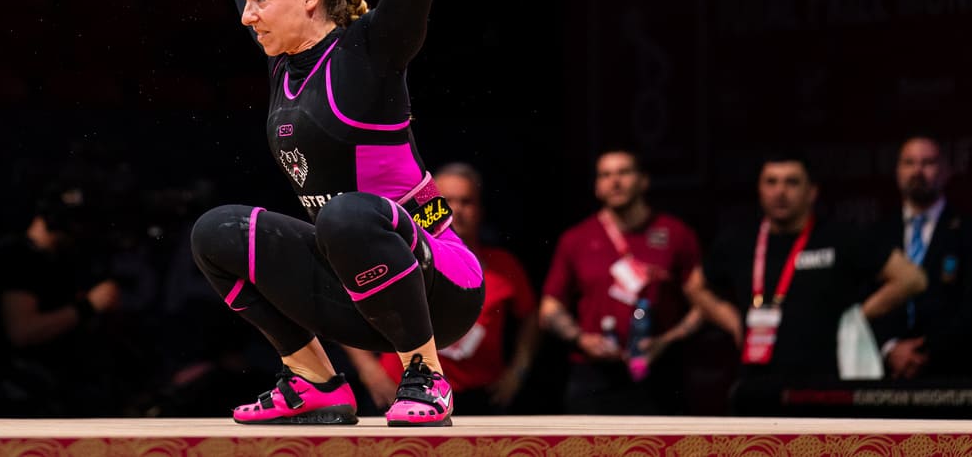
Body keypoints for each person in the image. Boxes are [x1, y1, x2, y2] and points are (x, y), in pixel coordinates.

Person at [188, 0, 486, 427]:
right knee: (216, 233)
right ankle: (315, 383)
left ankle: (426, 376)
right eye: (247, 0)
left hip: (441, 283)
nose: (247, 13)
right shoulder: (282, 62)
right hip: (356, 289)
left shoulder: (371, 51)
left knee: (346, 216)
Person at [686, 149, 926, 397]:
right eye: (771, 182)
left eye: (792, 182)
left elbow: (912, 279)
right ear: (760, 189)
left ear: (812, 192)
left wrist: (859, 315)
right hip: (756, 383)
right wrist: (732, 320)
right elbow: (694, 286)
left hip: (824, 384)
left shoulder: (840, 236)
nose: (780, 191)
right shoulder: (739, 241)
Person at [343, 161, 540, 415]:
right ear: (430, 208)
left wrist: (518, 371)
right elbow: (346, 304)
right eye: (447, 201)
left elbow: (531, 316)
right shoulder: (398, 258)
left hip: (479, 398)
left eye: (466, 201)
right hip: (404, 391)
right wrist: (368, 369)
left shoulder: (503, 266)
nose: (456, 209)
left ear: (480, 210)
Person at [537, 148, 704, 414]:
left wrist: (667, 340)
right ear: (597, 187)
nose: (615, 181)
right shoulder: (576, 239)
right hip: (593, 376)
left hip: (658, 373)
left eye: (624, 172)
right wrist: (581, 339)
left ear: (643, 181)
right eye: (605, 175)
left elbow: (703, 303)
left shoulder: (675, 234)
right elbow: (549, 308)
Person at [0, 182, 125, 416]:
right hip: (23, 393)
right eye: (77, 222)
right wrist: (89, 305)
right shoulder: (20, 257)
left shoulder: (58, 259)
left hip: (62, 389)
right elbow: (21, 331)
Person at [870, 135, 972, 379]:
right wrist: (890, 348)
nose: (918, 171)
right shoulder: (876, 233)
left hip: (953, 373)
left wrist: (924, 351)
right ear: (897, 172)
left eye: (928, 163)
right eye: (909, 163)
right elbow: (861, 299)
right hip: (885, 374)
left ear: (946, 171)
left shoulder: (966, 230)